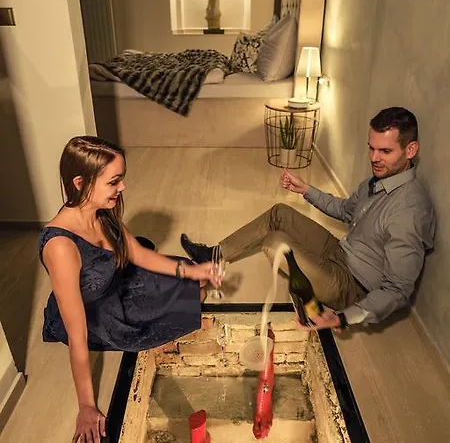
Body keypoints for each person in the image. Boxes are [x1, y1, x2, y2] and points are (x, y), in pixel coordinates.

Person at [180, 106, 436, 330]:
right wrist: (305, 189)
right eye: (371, 148)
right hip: (340, 251)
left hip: (352, 286)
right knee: (280, 212)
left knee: (274, 243)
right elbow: (346, 210)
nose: (374, 158)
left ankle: (310, 297)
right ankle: (214, 255)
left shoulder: (409, 212)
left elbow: (397, 290)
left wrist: (344, 318)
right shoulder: (379, 180)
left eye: (385, 151)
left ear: (410, 150)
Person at [39, 136, 218, 443]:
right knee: (193, 300)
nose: (122, 187)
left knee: (197, 282)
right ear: (80, 183)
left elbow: (137, 253)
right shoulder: (60, 246)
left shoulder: (101, 211)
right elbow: (77, 335)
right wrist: (86, 405)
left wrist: (193, 271)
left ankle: (188, 274)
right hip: (98, 314)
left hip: (118, 279)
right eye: (114, 182)